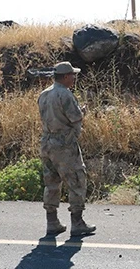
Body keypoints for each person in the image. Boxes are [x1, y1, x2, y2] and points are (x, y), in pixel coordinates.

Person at [38, 61, 96, 236]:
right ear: (65, 76)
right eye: (72, 75)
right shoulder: (65, 94)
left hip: (47, 143)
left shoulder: (44, 94)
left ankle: (52, 222)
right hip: (64, 144)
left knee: (51, 182)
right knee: (77, 179)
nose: (74, 77)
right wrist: (82, 112)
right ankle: (77, 223)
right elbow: (75, 118)